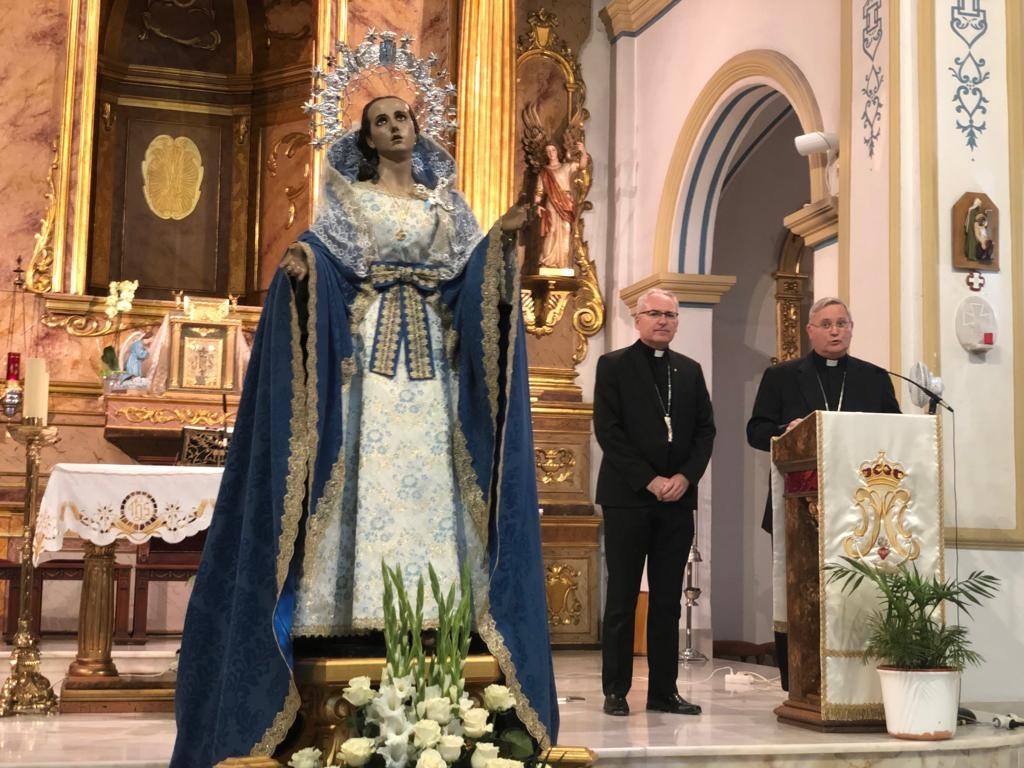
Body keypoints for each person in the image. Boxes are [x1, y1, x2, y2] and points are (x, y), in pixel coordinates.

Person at [172, 96, 557, 767]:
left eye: (403, 117)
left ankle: (443, 613)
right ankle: (343, 610)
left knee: (438, 478)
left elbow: (467, 283)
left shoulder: (449, 208)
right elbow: (326, 262)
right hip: (368, 365)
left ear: (418, 129)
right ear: (367, 138)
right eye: (381, 121)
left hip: (433, 366)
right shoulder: (348, 202)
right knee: (359, 478)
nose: (396, 127)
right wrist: (303, 268)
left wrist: (498, 242)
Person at [746, 296, 900, 689]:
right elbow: (756, 431)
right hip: (799, 505)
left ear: (851, 329)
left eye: (843, 323)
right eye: (827, 324)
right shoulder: (782, 377)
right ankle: (799, 676)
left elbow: (894, 433)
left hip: (860, 509)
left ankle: (859, 673)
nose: (836, 331)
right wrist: (787, 430)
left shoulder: (874, 378)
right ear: (810, 330)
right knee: (803, 593)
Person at [593, 287, 715, 717]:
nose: (663, 321)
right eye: (654, 314)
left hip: (677, 502)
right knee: (623, 597)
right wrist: (649, 480)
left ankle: (664, 691)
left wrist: (684, 477)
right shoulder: (613, 366)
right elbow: (608, 431)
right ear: (637, 319)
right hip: (628, 498)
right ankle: (615, 690)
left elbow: (705, 432)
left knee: (666, 600)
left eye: (670, 315)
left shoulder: (690, 370)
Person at [533, 141, 588, 270]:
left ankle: (562, 264)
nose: (551, 153)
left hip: (566, 201)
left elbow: (582, 165)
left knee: (566, 229)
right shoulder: (544, 172)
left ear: (557, 151)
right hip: (551, 203)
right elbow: (539, 191)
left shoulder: (567, 167)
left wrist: (583, 151)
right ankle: (547, 262)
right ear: (545, 154)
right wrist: (537, 205)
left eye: (553, 150)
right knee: (551, 230)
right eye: (548, 151)